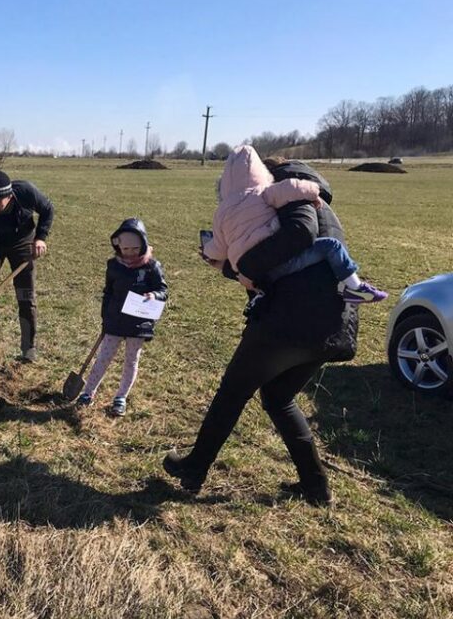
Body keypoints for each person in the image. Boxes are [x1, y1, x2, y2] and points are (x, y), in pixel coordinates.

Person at [163, 162, 360, 506]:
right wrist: (228, 266)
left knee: (232, 392)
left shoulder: (291, 196)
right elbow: (280, 261)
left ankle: (194, 468)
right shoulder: (309, 201)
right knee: (278, 397)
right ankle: (315, 486)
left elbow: (296, 237)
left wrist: (241, 265)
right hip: (328, 325)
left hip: (289, 321)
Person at [202, 145, 387, 304]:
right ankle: (355, 288)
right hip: (280, 264)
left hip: (253, 273)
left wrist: (208, 252)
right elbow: (293, 187)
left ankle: (260, 297)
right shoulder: (264, 192)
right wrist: (314, 193)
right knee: (332, 246)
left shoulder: (222, 211)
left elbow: (218, 246)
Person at [76, 218, 168, 416]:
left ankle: (121, 397)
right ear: (117, 245)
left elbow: (162, 289)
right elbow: (108, 292)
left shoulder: (152, 266)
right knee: (103, 358)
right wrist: (105, 318)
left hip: (138, 323)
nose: (130, 253)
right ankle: (87, 393)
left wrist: (155, 295)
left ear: (143, 244)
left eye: (135, 248)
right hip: (115, 322)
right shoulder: (114, 266)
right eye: (126, 249)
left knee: (131, 360)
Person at [0, 170, 54, 362]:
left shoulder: (26, 191)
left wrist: (41, 237)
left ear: (8, 196)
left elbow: (48, 209)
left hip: (23, 241)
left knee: (25, 295)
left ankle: (28, 348)